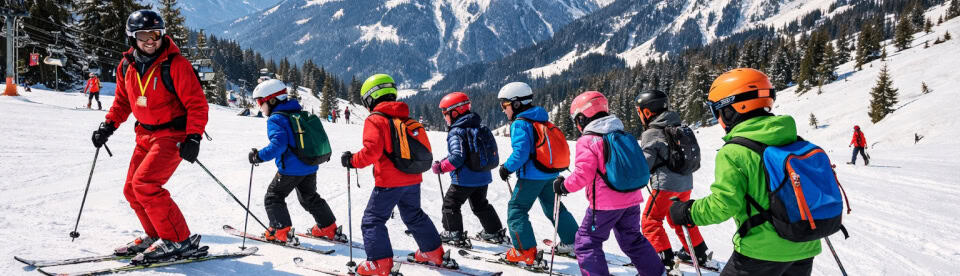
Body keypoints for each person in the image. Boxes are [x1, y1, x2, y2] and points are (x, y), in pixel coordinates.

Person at [668, 68, 820, 275]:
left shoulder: (735, 151)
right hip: (804, 246)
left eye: (717, 110)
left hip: (761, 251)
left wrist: (687, 211)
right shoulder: (794, 141)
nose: (718, 118)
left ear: (731, 108)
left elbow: (723, 206)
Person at [90, 9, 209, 263]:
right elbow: (123, 102)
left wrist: (194, 137)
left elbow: (197, 105)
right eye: (143, 35)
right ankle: (156, 235)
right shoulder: (127, 66)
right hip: (144, 134)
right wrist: (108, 126)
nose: (150, 40)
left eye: (155, 34)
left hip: (172, 135)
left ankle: (178, 240)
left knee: (146, 184)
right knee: (132, 190)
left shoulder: (175, 64)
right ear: (132, 38)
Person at [341, 74, 448, 275]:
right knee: (414, 215)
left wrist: (352, 160)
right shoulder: (405, 117)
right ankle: (433, 252)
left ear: (371, 98)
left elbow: (372, 152)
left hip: (389, 181)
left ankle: (379, 264)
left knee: (372, 220)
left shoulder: (375, 120)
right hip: (412, 178)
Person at [554, 91, 664, 275]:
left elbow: (583, 174)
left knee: (586, 241)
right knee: (632, 239)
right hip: (631, 200)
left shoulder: (588, 140)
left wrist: (564, 186)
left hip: (605, 206)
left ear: (582, 117)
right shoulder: (622, 135)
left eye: (576, 119)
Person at [248, 79, 342, 244]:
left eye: (260, 102)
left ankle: (280, 230)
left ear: (272, 100)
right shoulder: (298, 113)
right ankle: (328, 228)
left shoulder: (276, 119)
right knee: (309, 197)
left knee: (273, 197)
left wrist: (259, 156)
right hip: (309, 166)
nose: (259, 106)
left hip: (290, 169)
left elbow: (279, 145)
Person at [496, 81, 578, 265]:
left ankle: (524, 251)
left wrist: (506, 168)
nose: (503, 110)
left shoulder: (520, 123)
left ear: (517, 104)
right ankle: (574, 243)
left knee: (517, 210)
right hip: (550, 174)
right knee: (555, 209)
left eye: (505, 105)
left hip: (531, 177)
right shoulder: (541, 118)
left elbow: (521, 153)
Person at [635, 90, 714, 270]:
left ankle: (661, 261)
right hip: (685, 183)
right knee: (677, 217)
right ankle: (698, 252)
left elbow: (644, 165)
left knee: (650, 221)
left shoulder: (652, 133)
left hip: (665, 186)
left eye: (639, 111)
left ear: (647, 112)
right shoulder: (677, 125)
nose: (639, 115)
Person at [430, 92, 507, 247]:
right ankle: (494, 232)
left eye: (445, 113)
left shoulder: (456, 132)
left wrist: (441, 167)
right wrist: (446, 160)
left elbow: (457, 157)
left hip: (464, 180)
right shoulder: (479, 126)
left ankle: (453, 233)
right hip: (483, 177)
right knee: (480, 205)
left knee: (450, 205)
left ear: (455, 112)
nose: (445, 117)